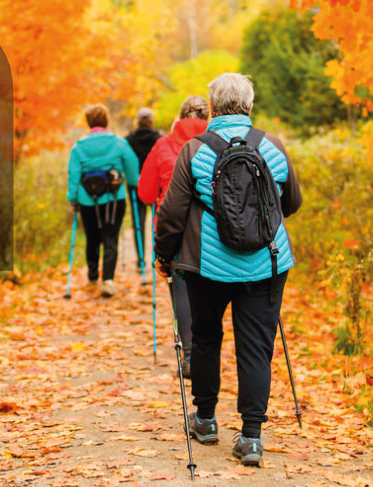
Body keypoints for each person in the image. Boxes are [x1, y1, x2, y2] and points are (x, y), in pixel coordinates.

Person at [154, 74, 302, 466]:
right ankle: (251, 437)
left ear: (213, 108)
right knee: (257, 347)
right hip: (267, 264)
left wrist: (165, 257)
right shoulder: (272, 147)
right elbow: (291, 203)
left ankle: (205, 420)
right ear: (250, 107)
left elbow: (172, 214)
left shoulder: (193, 151)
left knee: (205, 337)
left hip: (207, 266)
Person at [138, 96, 209, 378]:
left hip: (173, 228)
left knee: (180, 285)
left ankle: (191, 354)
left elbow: (144, 193)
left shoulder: (163, 145)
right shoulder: (218, 141)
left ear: (179, 117)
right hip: (211, 226)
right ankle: (208, 351)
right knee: (210, 289)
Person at [68, 104, 139, 297]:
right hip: (114, 198)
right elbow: (132, 165)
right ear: (106, 121)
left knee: (92, 238)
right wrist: (133, 183)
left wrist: (73, 199)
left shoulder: (79, 146)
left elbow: (74, 174)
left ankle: (92, 278)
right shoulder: (118, 142)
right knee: (110, 236)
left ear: (89, 122)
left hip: (87, 200)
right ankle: (108, 280)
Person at [126, 108, 161, 273]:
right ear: (151, 121)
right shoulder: (158, 138)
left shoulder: (129, 139)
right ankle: (157, 257)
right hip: (155, 183)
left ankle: (141, 261)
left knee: (138, 223)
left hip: (135, 185)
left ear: (138, 121)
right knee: (157, 222)